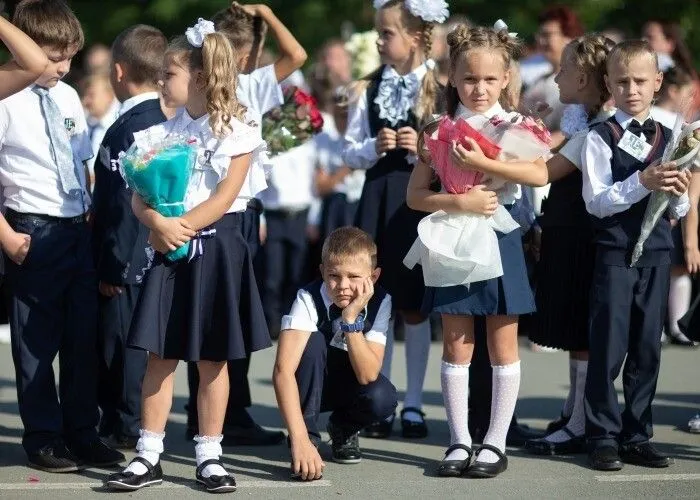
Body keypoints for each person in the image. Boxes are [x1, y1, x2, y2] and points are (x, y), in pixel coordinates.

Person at [104, 20, 270, 492]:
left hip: (217, 248)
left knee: (212, 359)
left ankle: (209, 453)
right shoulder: (160, 132)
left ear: (198, 77)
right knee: (160, 354)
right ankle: (148, 453)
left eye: (169, 74)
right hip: (169, 247)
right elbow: (139, 194)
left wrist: (181, 227)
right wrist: (158, 224)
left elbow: (226, 196)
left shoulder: (238, 130)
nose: (161, 82)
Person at [407, 22, 548, 479]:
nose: (480, 88)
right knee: (455, 341)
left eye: (490, 79)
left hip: (500, 236)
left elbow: (538, 175)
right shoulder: (438, 130)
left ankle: (495, 442)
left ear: (506, 78)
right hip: (451, 236)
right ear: (452, 76)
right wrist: (458, 200)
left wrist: (484, 163)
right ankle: (459, 440)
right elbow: (415, 196)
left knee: (501, 342)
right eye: (470, 79)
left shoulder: (518, 126)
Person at [0, 0, 124, 472]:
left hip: (75, 227)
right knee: (35, 342)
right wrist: (7, 237)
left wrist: (88, 209)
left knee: (81, 339)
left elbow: (80, 159)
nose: (62, 67)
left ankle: (82, 432)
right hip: (31, 226)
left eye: (69, 57)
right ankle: (43, 436)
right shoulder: (6, 99)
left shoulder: (68, 96)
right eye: (53, 57)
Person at [182, 2, 307, 447]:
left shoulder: (251, 83)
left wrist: (264, 17)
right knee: (222, 313)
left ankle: (224, 410)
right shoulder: (246, 80)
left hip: (242, 205)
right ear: (241, 54)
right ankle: (219, 413)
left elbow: (295, 57)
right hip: (222, 205)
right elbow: (297, 56)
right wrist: (270, 16)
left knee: (226, 311)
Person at [581, 40, 691, 472]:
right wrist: (641, 182)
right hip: (614, 251)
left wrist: (679, 196)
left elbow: (678, 209)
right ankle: (602, 434)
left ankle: (637, 432)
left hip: (658, 253)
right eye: (622, 80)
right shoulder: (599, 135)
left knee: (648, 347)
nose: (631, 89)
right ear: (608, 83)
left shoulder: (672, 137)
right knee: (609, 344)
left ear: (657, 83)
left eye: (640, 81)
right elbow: (597, 201)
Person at [343, 0, 448, 440]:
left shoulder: (441, 90)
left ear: (416, 37)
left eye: (387, 33)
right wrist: (373, 145)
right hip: (377, 198)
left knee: (415, 305)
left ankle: (416, 404)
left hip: (417, 203)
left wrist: (420, 148)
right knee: (375, 299)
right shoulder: (365, 88)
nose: (380, 41)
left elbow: (456, 158)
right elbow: (348, 151)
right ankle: (378, 401)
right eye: (379, 33)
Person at [524, 34, 617, 455]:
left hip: (584, 237)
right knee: (575, 329)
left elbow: (545, 171)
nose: (556, 75)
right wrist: (534, 130)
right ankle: (573, 410)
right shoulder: (581, 120)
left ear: (582, 78)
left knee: (582, 329)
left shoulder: (599, 130)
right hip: (567, 231)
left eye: (563, 70)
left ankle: (580, 423)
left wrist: (493, 156)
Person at [90, 24, 168, 450]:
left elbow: (119, 203)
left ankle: (125, 421)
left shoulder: (126, 129)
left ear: (119, 72)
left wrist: (112, 264)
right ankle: (142, 418)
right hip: (162, 250)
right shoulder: (169, 120)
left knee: (121, 344)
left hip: (128, 256)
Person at [273, 227, 397, 480]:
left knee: (382, 397)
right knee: (314, 341)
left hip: (346, 384)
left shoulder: (381, 301)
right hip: (308, 385)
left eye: (353, 276)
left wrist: (351, 319)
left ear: (373, 277)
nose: (342, 286)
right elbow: (283, 372)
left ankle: (343, 427)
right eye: (334, 276)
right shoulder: (308, 298)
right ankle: (307, 439)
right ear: (321, 272)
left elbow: (367, 374)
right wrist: (298, 439)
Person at [651, 67, 698, 346]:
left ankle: (665, 327)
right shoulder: (675, 124)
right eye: (689, 93)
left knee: (672, 268)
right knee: (673, 268)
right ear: (672, 91)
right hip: (669, 207)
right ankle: (675, 327)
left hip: (671, 205)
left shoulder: (681, 124)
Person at [520, 6, 585, 149]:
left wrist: (532, 148)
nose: (541, 40)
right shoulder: (538, 81)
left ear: (569, 37)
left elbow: (573, 131)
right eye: (540, 35)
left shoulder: (582, 81)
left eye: (547, 35)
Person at [79, 72, 120, 183]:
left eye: (91, 95)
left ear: (109, 95)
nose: (86, 101)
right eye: (85, 95)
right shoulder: (85, 123)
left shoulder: (119, 126)